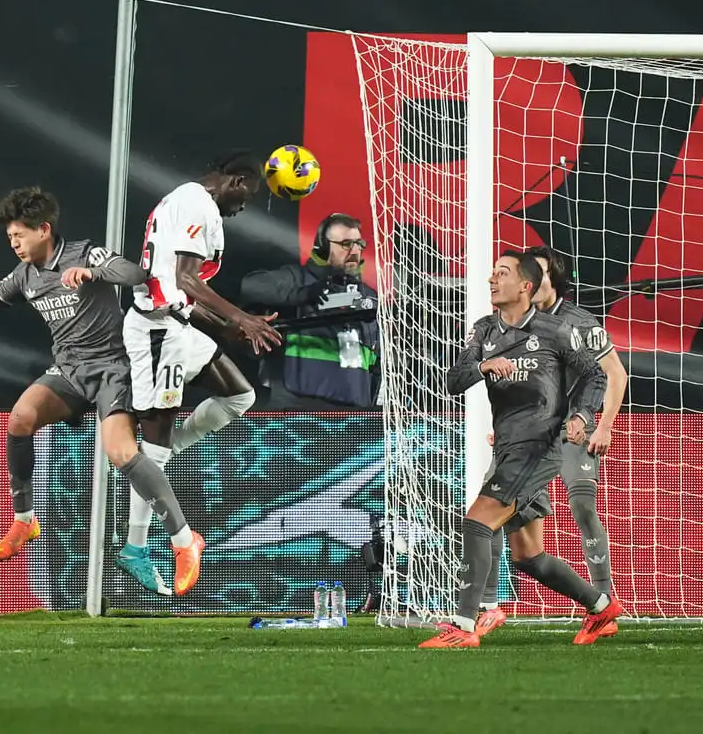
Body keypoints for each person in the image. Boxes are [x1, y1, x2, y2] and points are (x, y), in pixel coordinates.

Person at [0, 187, 206, 596]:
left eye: (19, 235)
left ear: (44, 230)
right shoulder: (24, 276)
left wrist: (95, 273)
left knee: (122, 453)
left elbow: (136, 274)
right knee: (20, 419)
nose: (13, 244)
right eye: (10, 238)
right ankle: (25, 518)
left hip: (112, 370)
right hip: (68, 372)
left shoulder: (85, 253)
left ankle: (183, 540)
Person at [419, 250, 623, 648]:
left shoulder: (556, 332)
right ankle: (600, 606)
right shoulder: (483, 331)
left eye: (502, 273)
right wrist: (483, 367)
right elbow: (454, 380)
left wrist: (582, 417)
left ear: (525, 287)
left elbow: (595, 375)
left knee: (478, 522)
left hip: (539, 449)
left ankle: (463, 626)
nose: (492, 279)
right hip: (509, 447)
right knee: (528, 556)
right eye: (491, 272)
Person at [117, 151, 282, 595]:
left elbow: (180, 289)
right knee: (154, 446)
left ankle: (154, 463)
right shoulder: (197, 203)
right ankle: (136, 546)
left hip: (178, 325)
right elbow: (188, 280)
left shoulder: (188, 201)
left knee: (240, 396)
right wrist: (241, 318)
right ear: (239, 180)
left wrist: (229, 328)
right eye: (249, 195)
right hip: (156, 333)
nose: (244, 206)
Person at [476, 245, 629, 637]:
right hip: (530, 438)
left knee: (580, 503)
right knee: (518, 542)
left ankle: (603, 596)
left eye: (535, 271)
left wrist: (602, 424)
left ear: (549, 279)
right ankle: (492, 606)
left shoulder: (578, 323)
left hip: (573, 431)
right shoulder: (512, 324)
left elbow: (614, 373)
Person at [240, 212, 379, 409]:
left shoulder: (370, 296)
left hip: (354, 410)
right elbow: (250, 285)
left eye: (359, 244)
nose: (355, 250)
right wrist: (304, 294)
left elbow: (376, 359)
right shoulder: (298, 278)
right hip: (297, 408)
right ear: (322, 248)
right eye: (346, 244)